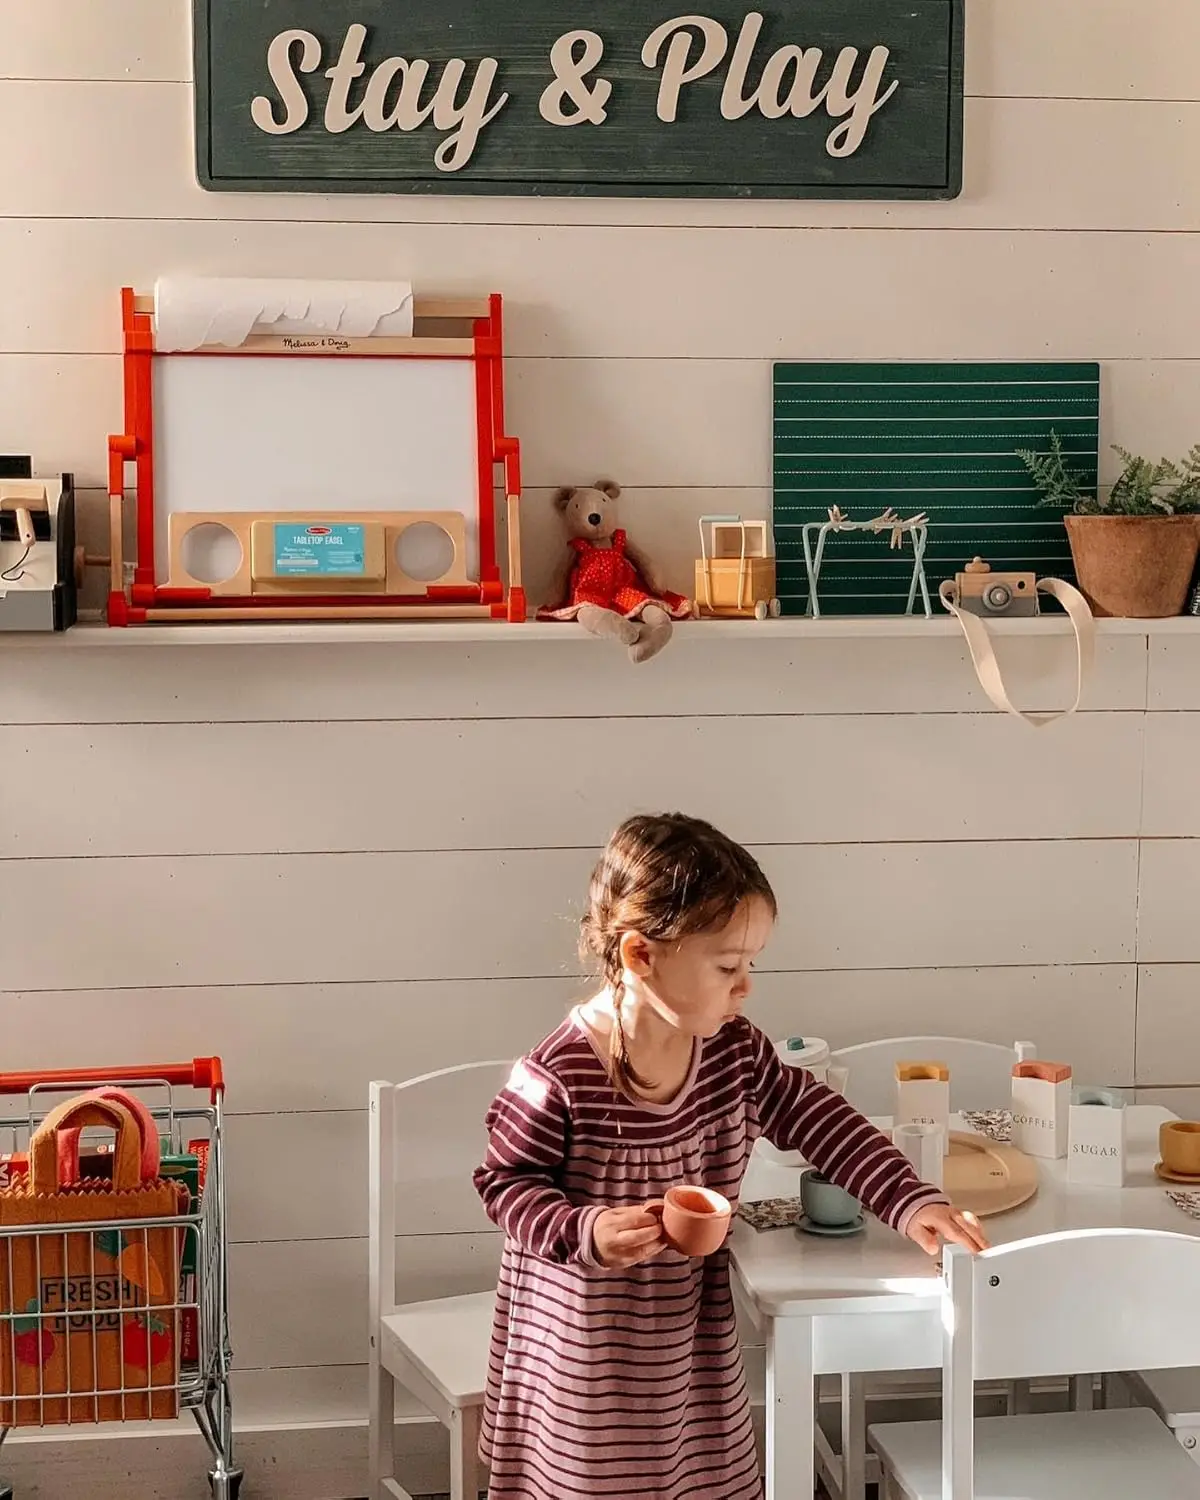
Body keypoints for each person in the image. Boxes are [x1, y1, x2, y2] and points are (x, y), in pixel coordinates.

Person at [474, 812, 986, 1499]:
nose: (745, 986)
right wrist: (585, 1229)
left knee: (697, 1480)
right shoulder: (556, 1075)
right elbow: (504, 1184)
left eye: (752, 964)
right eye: (726, 966)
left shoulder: (734, 1052)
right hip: (583, 1355)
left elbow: (818, 1118)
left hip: (687, 1348)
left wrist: (908, 1198)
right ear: (640, 955)